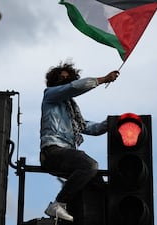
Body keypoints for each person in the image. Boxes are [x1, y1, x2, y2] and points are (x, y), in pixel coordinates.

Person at [39, 61, 119, 222]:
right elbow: (73, 88)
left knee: (96, 181)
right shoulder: (50, 95)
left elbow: (89, 127)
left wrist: (112, 123)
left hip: (65, 154)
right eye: (62, 79)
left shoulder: (71, 110)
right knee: (89, 165)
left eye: (68, 78)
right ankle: (58, 204)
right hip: (52, 151)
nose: (66, 81)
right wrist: (103, 79)